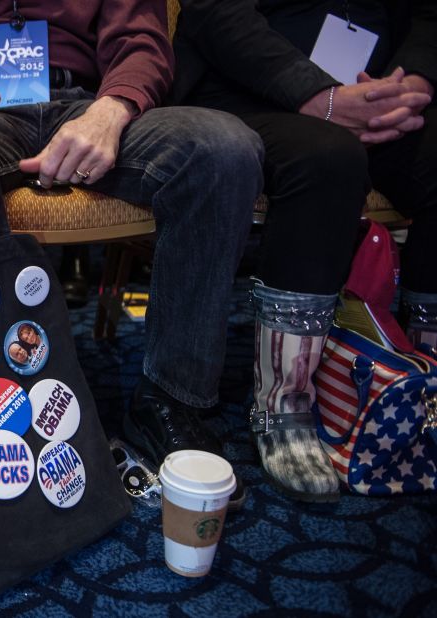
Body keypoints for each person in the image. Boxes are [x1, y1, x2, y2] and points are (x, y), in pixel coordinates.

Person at [0, 1, 265, 505]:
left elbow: (142, 45)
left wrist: (114, 108)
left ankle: (172, 399)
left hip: (90, 101)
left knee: (222, 147)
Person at [171, 0, 436, 501]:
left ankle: (425, 383)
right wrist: (317, 94)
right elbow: (213, 12)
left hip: (379, 91)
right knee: (328, 160)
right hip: (248, 87)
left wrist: (414, 85)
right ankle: (284, 403)